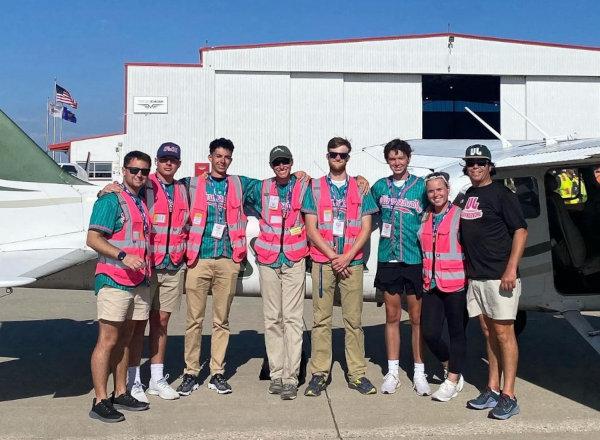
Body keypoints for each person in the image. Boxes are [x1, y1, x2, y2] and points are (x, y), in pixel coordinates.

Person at [99, 143, 189, 403]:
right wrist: (104, 189)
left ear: (178, 163)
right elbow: (118, 193)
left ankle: (157, 379)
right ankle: (133, 380)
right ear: (157, 163)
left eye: (172, 160)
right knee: (136, 326)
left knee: (161, 324)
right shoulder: (144, 184)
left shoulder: (185, 189)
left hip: (172, 265)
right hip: (146, 265)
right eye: (163, 159)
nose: (168, 164)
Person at [177, 138, 258, 396]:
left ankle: (217, 372)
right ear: (210, 157)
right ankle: (190, 373)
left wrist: (301, 175)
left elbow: (272, 185)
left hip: (226, 259)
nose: (222, 161)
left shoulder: (238, 183)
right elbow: (158, 187)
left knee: (221, 320)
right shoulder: (191, 184)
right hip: (199, 259)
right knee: (194, 321)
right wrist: (110, 188)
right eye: (218, 156)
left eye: (227, 157)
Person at [302, 137, 379, 396]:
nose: (338, 159)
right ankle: (319, 373)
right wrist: (335, 256)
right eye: (334, 154)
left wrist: (347, 256)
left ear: (348, 157)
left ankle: (356, 374)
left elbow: (366, 227)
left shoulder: (361, 187)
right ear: (327, 156)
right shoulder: (313, 188)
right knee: (321, 320)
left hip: (352, 263)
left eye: (343, 155)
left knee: (353, 321)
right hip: (324, 263)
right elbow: (311, 229)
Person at [459, 144, 528, 420]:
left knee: (504, 333)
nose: (475, 167)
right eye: (471, 163)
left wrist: (511, 269)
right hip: (476, 276)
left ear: (489, 166)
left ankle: (509, 395)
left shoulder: (502, 194)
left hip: (500, 277)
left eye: (480, 163)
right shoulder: (468, 195)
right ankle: (492, 387)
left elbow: (520, 231)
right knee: (488, 332)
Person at [87, 151, 152, 422]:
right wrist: (123, 256)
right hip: (114, 279)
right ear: (124, 171)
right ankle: (100, 400)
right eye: (134, 170)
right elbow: (93, 238)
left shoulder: (139, 201)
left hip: (137, 281)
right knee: (108, 340)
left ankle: (121, 390)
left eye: (143, 171)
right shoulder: (111, 199)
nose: (139, 175)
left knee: (126, 340)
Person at [245, 145, 310, 401]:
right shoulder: (262, 188)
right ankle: (276, 374)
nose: (281, 166)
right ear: (271, 165)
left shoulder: (305, 186)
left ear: (292, 163)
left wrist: (359, 179)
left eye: (284, 161)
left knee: (293, 319)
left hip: (293, 260)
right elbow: (230, 188)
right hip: (268, 260)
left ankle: (291, 377)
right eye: (276, 163)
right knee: (272, 319)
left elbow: (330, 187)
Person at [370, 139, 430, 395]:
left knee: (417, 318)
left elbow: (432, 215)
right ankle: (392, 371)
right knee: (392, 317)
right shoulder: (379, 187)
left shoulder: (420, 187)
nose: (397, 162)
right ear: (387, 160)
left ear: (408, 158)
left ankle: (419, 371)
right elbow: (365, 212)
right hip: (388, 258)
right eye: (392, 158)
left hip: (414, 259)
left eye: (401, 158)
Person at [418, 172, 467, 402]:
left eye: (440, 190)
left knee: (457, 333)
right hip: (432, 284)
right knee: (429, 332)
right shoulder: (425, 216)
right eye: (431, 191)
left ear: (448, 191)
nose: (436, 194)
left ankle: (453, 379)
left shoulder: (460, 215)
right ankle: (450, 364)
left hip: (455, 284)